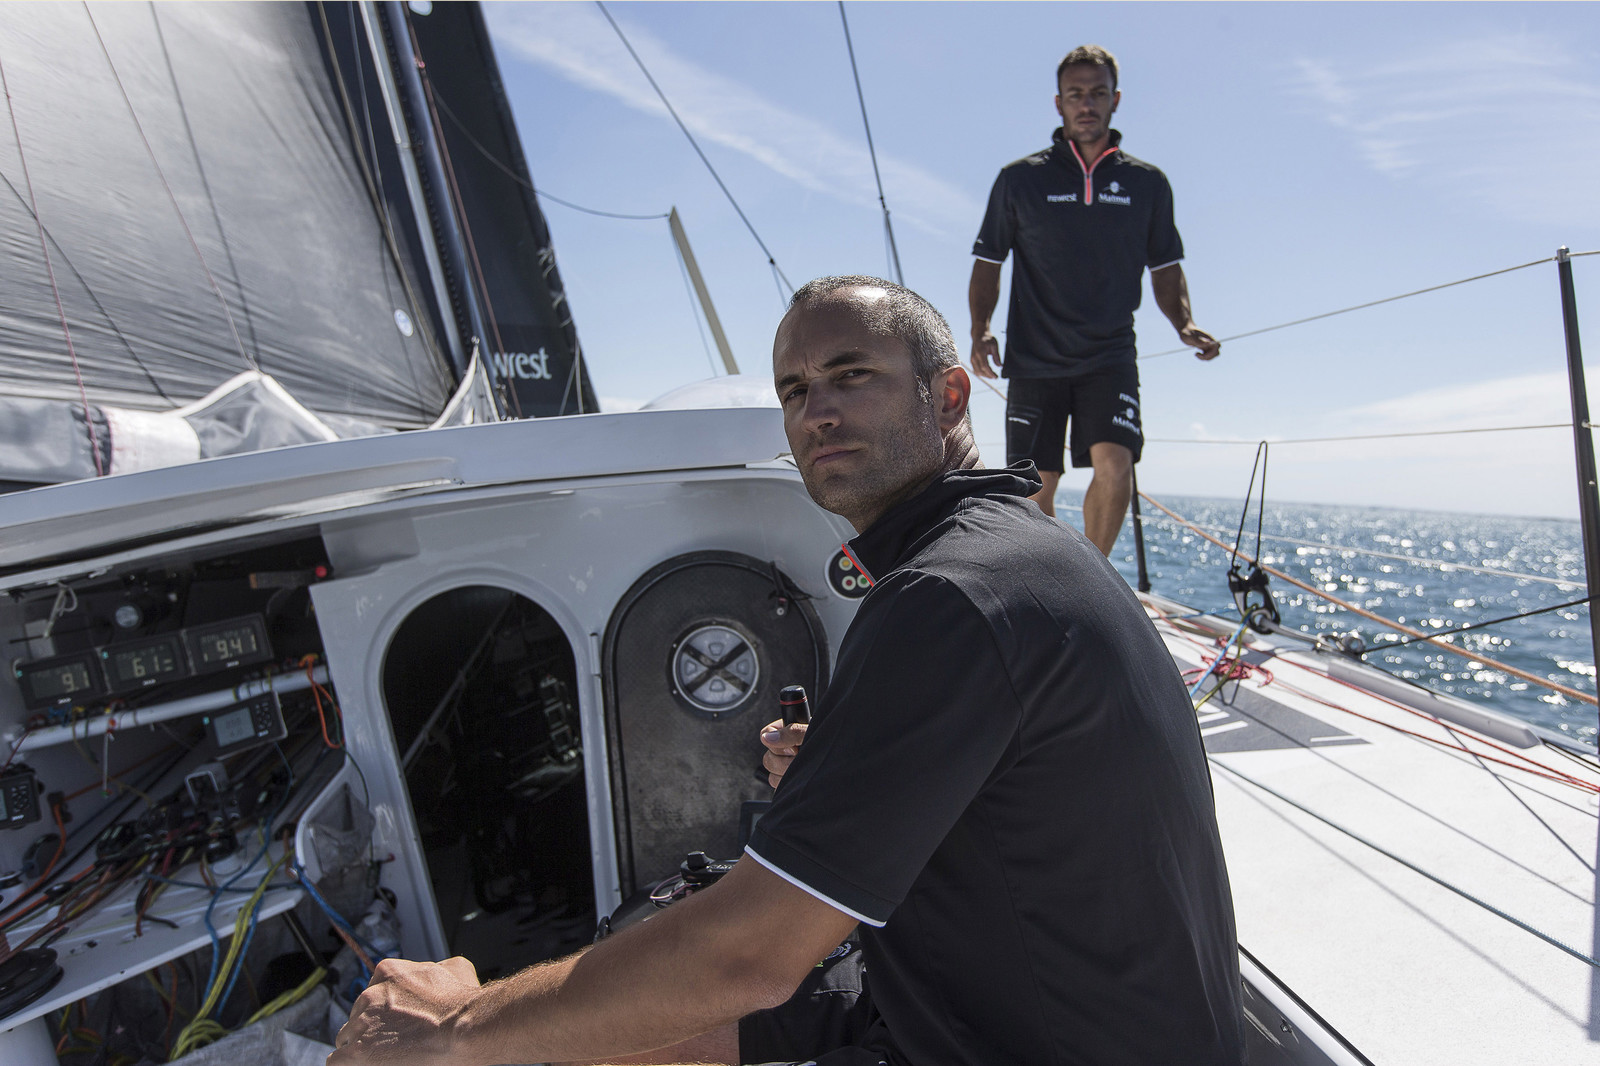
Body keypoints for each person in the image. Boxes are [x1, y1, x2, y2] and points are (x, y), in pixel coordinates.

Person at [327, 276, 1244, 1066]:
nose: (818, 411)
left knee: (492, 1038)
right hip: (984, 998)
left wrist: (452, 1029)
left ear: (951, 395)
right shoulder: (1011, 552)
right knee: (581, 1029)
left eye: (853, 376)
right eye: (796, 390)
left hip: (1015, 1042)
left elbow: (747, 957)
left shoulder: (952, 595)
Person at [969, 44, 1220, 555]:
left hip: (1109, 355)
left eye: (1097, 93)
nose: (1087, 104)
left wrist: (1184, 324)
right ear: (1058, 103)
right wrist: (981, 331)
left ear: (1116, 100)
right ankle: (1047, 580)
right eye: (1076, 94)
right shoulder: (1020, 179)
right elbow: (988, 260)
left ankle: (1092, 579)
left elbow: (1167, 266)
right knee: (1033, 485)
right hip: (1035, 358)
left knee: (1115, 466)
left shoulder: (1147, 183)